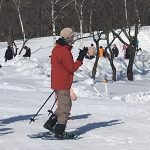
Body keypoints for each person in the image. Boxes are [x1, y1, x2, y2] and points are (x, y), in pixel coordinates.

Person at [43, 27, 88, 139]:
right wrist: (80, 58)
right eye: (72, 36)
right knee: (66, 108)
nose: (74, 38)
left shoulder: (57, 48)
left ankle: (50, 124)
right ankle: (60, 131)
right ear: (68, 38)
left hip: (58, 82)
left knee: (63, 105)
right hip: (62, 83)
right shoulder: (64, 51)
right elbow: (71, 68)